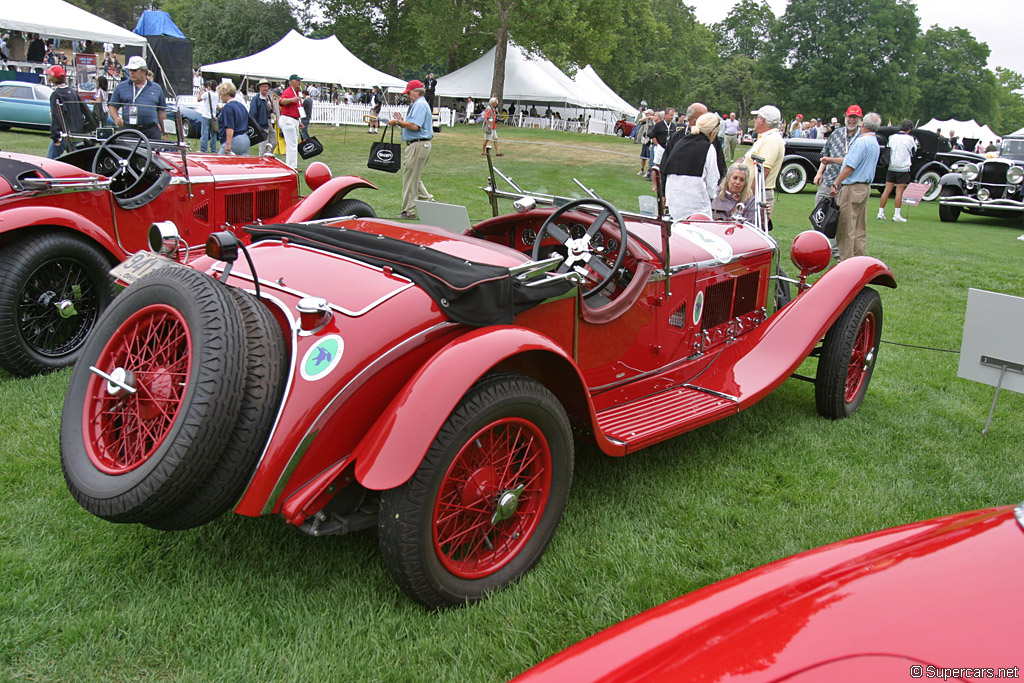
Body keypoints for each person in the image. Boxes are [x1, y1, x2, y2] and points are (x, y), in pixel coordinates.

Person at [830, 112, 881, 261]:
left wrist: (836, 183)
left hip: (852, 187)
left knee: (846, 227)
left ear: (862, 124)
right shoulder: (874, 142)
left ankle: (845, 260)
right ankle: (859, 260)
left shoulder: (861, 142)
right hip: (865, 187)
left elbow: (849, 166)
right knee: (860, 227)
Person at [660, 112, 722, 221]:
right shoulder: (708, 148)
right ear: (713, 133)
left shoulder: (679, 143)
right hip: (697, 205)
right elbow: (712, 181)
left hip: (675, 202)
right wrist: (713, 196)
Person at [387, 79, 435, 219]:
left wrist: (397, 122)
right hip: (419, 144)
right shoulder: (419, 104)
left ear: (417, 92)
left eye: (409, 93)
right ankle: (430, 203)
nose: (408, 95)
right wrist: (401, 121)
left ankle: (408, 211)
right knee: (414, 177)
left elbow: (415, 126)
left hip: (418, 144)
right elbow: (412, 124)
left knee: (410, 178)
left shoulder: (419, 105)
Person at [813, 105, 863, 208]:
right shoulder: (836, 133)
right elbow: (825, 155)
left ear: (860, 119)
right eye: (850, 117)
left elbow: (853, 162)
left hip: (848, 187)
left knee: (842, 221)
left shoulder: (862, 137)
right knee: (819, 217)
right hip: (828, 182)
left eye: (855, 117)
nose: (852, 120)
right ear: (845, 117)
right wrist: (819, 173)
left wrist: (831, 160)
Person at [108, 56, 166, 141]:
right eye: (130, 70)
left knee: (151, 153)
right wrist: (116, 118)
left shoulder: (156, 88)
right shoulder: (121, 87)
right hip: (128, 130)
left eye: (135, 70)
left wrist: (164, 132)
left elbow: (161, 112)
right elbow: (112, 106)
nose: (131, 72)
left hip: (151, 131)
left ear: (144, 71)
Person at [742, 105, 785, 217]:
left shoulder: (771, 140)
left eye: (756, 117)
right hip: (756, 191)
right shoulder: (766, 138)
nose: (755, 120)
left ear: (762, 120)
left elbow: (763, 171)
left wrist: (748, 196)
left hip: (758, 193)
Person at [878, 119, 918, 223]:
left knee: (887, 190)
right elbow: (913, 152)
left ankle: (880, 212)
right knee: (899, 191)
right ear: (909, 129)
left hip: (891, 166)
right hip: (903, 168)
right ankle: (896, 214)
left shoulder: (892, 137)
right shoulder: (910, 139)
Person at [45, 65, 87, 158]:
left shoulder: (56, 94)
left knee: (50, 161)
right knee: (75, 160)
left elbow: (57, 116)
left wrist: (56, 136)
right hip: (75, 133)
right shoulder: (72, 92)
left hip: (63, 134)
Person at [216, 81, 249, 155]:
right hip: (245, 139)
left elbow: (229, 127)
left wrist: (228, 144)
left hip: (235, 139)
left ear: (225, 94)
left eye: (220, 94)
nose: (220, 97)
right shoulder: (241, 106)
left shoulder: (228, 107)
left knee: (219, 163)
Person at [278, 74, 303, 169]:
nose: (299, 82)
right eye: (297, 80)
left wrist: (298, 121)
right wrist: (292, 99)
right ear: (292, 82)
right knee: (292, 144)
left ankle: (292, 164)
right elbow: (282, 101)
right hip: (288, 119)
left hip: (293, 119)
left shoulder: (296, 92)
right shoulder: (288, 91)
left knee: (292, 144)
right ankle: (291, 166)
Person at [197, 79, 218, 153]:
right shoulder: (216, 95)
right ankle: (213, 149)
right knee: (213, 134)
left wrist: (201, 91)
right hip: (213, 116)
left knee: (205, 134)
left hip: (206, 115)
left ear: (209, 86)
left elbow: (199, 99)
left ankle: (203, 149)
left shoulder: (206, 94)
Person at [635, 109, 655, 176]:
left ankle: (649, 171)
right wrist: (647, 117)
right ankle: (642, 169)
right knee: (643, 157)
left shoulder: (653, 120)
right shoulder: (645, 120)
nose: (646, 115)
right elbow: (640, 120)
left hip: (650, 140)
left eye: (647, 114)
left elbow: (654, 120)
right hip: (645, 140)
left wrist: (650, 117)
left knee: (649, 157)